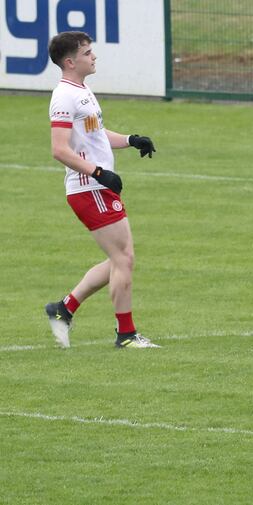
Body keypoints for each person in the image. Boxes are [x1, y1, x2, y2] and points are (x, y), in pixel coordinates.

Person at [44, 31, 159, 349]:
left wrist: (131, 139)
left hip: (96, 186)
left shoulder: (82, 91)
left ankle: (63, 309)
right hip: (88, 187)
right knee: (124, 259)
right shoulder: (64, 97)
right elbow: (59, 148)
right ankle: (126, 334)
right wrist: (98, 172)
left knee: (121, 258)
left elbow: (96, 133)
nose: (94, 57)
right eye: (87, 53)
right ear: (70, 62)